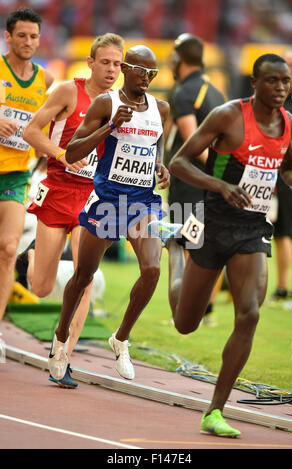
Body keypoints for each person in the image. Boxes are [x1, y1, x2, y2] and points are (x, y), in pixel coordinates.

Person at [148, 54, 292, 437]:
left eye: (286, 81)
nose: (281, 87)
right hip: (214, 221)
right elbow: (180, 161)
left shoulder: (289, 125)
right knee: (186, 324)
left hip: (251, 227)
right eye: (273, 81)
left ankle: (214, 410)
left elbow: (287, 165)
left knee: (249, 313)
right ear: (254, 82)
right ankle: (177, 250)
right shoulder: (228, 116)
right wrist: (221, 186)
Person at [47, 45, 170, 384]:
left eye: (154, 74)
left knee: (153, 268)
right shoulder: (106, 104)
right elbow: (72, 151)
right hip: (108, 200)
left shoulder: (161, 108)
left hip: (142, 201)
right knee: (84, 275)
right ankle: (60, 339)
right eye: (142, 71)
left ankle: (121, 338)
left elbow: (159, 143)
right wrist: (110, 127)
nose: (147, 78)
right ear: (127, 69)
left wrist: (161, 165)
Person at [18, 33, 124, 388]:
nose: (111, 70)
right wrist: (64, 155)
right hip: (59, 190)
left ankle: (61, 356)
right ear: (90, 62)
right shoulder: (67, 91)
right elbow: (31, 130)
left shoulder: (119, 103)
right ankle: (31, 260)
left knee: (85, 276)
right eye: (105, 62)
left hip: (92, 196)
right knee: (43, 287)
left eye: (117, 64)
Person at [165, 33, 225, 326]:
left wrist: (213, 172)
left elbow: (193, 143)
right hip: (211, 184)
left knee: (186, 244)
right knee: (205, 243)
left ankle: (190, 311)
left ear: (179, 57)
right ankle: (207, 310)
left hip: (189, 183)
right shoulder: (214, 91)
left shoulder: (185, 91)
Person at [0, 8, 54, 323]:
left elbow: (45, 125)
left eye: (34, 36)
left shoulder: (44, 78)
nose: (28, 41)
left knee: (8, 249)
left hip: (17, 174)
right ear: (8, 36)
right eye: (21, 35)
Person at [269, 49, 292, 310]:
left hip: (291, 172)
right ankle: (288, 291)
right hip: (283, 172)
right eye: (289, 64)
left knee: (290, 233)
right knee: (287, 233)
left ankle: (289, 291)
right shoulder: (285, 97)